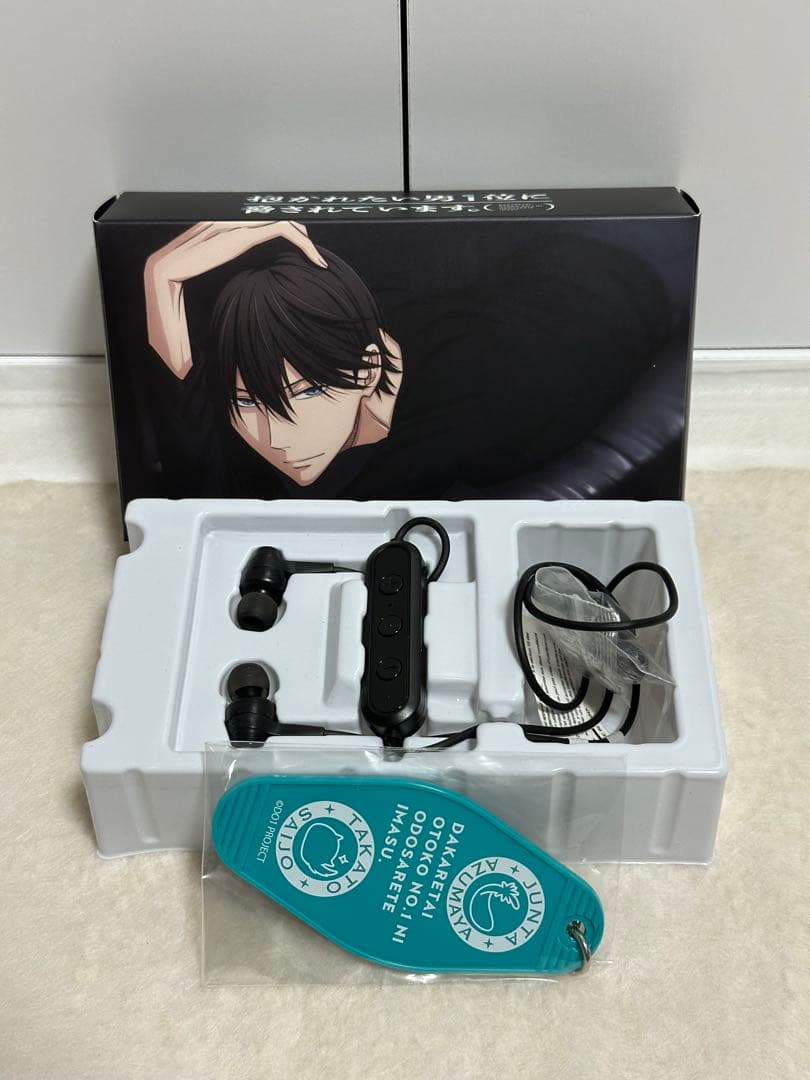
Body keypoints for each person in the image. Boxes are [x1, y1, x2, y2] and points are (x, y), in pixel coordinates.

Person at [143, 219, 682, 500]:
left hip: (633, 271)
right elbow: (198, 481)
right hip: (542, 277)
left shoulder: (480, 388)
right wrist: (159, 279)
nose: (278, 435)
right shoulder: (329, 375)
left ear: (368, 371)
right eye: (246, 402)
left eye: (308, 392)